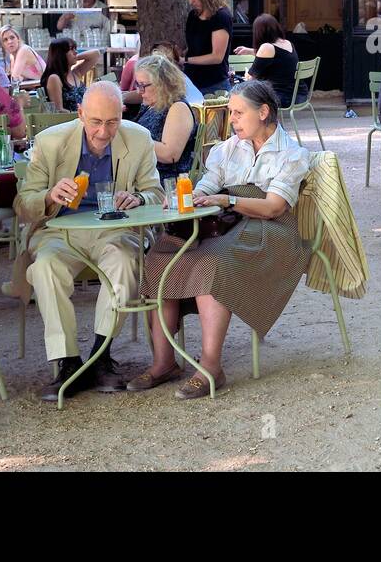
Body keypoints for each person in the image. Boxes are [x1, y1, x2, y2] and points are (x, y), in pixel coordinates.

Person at [131, 81, 311, 396]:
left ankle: (210, 365)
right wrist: (187, 198)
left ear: (264, 112)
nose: (233, 121)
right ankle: (164, 361)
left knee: (211, 262)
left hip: (270, 228)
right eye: (231, 113)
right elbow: (210, 183)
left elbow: (273, 207)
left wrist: (226, 201)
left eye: (239, 113)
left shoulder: (292, 153)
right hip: (223, 221)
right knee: (161, 255)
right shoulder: (228, 148)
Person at [14, 81, 164, 401]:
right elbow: (24, 205)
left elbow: (157, 194)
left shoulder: (138, 139)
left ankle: (100, 355)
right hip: (60, 231)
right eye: (96, 122)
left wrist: (137, 197)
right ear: (80, 114)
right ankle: (67, 363)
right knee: (46, 268)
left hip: (115, 230)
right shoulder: (50, 141)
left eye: (112, 122)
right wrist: (49, 195)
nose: (103, 132)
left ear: (122, 115)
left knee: (124, 262)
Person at [132, 53, 198, 181]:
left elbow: (170, 155)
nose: (139, 91)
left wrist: (131, 137)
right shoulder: (152, 105)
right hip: (146, 177)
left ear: (161, 83)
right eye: (137, 84)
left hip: (167, 183)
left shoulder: (178, 108)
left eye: (143, 85)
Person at [181, 0, 234, 96]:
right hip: (191, 83)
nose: (190, 1)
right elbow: (194, 48)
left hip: (214, 85)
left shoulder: (221, 16)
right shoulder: (193, 16)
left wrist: (186, 60)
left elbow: (217, 57)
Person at [236, 14, 299, 107]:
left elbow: (251, 77)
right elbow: (277, 55)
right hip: (298, 95)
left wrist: (247, 73)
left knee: (242, 95)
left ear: (259, 32)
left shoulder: (267, 47)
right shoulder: (287, 42)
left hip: (282, 97)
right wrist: (250, 51)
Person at [40, 37, 101, 112]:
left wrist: (75, 57)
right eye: (71, 49)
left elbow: (96, 54)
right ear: (61, 54)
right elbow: (59, 110)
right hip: (71, 121)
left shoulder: (75, 73)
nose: (76, 52)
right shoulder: (54, 78)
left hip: (85, 118)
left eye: (75, 49)